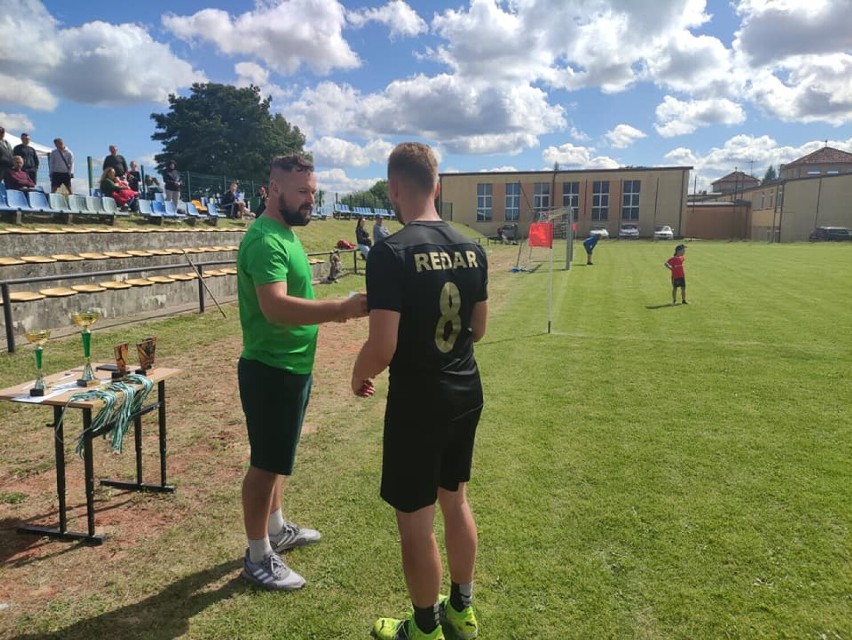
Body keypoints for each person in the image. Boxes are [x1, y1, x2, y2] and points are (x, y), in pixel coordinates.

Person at [352, 142, 488, 640]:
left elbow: (382, 346)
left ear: (393, 189)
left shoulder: (391, 251)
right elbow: (480, 327)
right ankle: (462, 611)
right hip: (465, 390)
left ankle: (426, 628)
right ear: (438, 184)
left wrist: (357, 372)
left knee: (415, 521)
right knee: (456, 499)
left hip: (419, 402)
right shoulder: (471, 246)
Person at [236, 153, 368, 591]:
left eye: (313, 191)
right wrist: (340, 310)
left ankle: (275, 529)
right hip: (270, 368)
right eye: (303, 193)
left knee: (276, 462)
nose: (311, 200)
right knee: (264, 465)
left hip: (291, 366)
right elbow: (273, 306)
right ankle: (257, 556)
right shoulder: (265, 240)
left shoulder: (286, 232)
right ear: (274, 190)